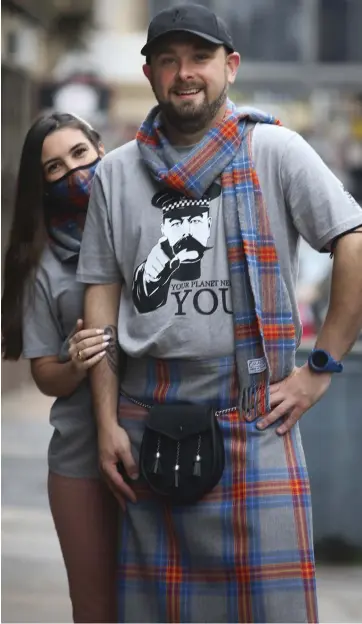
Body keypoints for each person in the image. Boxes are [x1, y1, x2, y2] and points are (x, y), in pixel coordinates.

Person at [77, 4, 362, 623]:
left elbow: (353, 238)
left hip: (258, 413)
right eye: (170, 60)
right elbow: (99, 297)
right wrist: (105, 422)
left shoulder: (277, 150)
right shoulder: (116, 173)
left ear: (229, 67)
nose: (186, 74)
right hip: (145, 417)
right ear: (149, 71)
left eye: (200, 58)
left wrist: (320, 368)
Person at [2, 112, 118, 623]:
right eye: (54, 167)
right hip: (80, 460)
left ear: (99, 150)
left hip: (161, 446)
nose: (73, 172)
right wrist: (75, 362)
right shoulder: (40, 265)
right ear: (40, 183)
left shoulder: (141, 229)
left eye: (79, 155)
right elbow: (44, 374)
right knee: (94, 608)